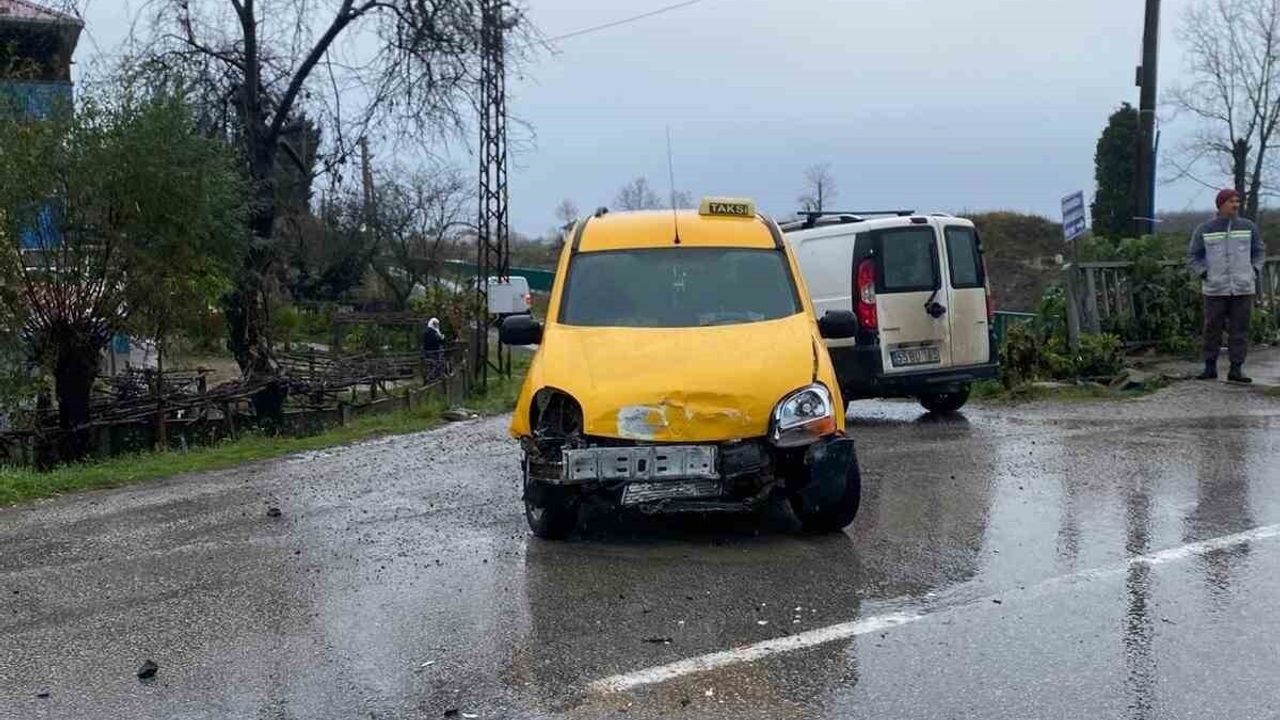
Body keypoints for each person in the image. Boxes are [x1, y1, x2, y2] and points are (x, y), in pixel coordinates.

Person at [1187, 189, 1266, 383]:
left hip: (1242, 286)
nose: (1236, 205)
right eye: (1232, 201)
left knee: (1240, 328)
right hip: (1215, 288)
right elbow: (1193, 255)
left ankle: (1236, 369)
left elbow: (1259, 251)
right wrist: (1203, 272)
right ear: (1221, 204)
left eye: (1237, 201)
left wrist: (1254, 270)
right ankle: (1209, 367)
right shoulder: (1205, 229)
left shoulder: (1249, 227)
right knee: (1212, 328)